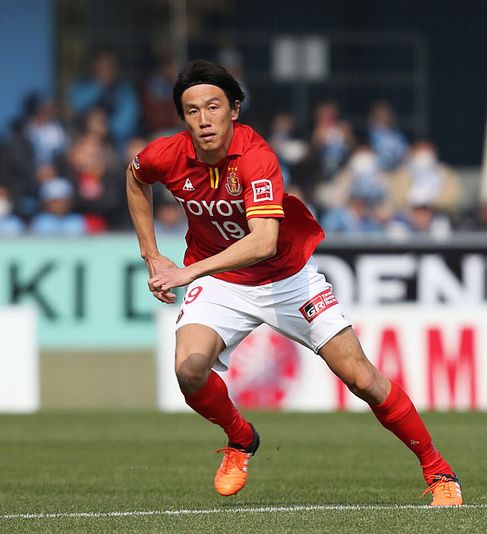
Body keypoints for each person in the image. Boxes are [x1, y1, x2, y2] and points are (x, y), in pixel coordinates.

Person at [126, 60, 462, 506]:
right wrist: (151, 254)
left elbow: (263, 242)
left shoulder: (256, 157)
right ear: (183, 118)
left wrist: (186, 272)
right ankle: (241, 438)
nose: (204, 119)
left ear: (234, 110)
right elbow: (135, 178)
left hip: (285, 277)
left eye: (213, 106)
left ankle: (439, 471)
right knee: (189, 369)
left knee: (362, 379)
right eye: (192, 110)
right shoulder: (165, 154)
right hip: (221, 280)